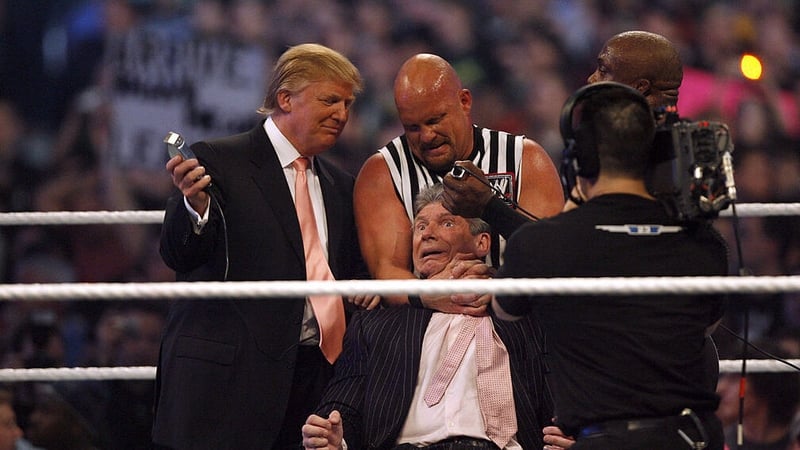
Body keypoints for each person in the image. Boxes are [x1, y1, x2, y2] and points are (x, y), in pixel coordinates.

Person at [154, 43, 368, 450]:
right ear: (285, 98)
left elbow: (347, 270)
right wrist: (195, 208)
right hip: (229, 386)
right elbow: (178, 255)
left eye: (347, 103)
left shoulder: (342, 186)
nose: (342, 114)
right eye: (329, 100)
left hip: (313, 382)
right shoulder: (216, 160)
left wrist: (365, 290)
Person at [492, 82, 729, 450]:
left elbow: (504, 311)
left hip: (602, 440)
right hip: (691, 438)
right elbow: (707, 324)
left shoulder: (539, 245)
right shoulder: (705, 244)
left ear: (580, 162)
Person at [301, 184, 555, 450]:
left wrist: (568, 434)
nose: (427, 235)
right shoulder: (374, 326)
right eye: (420, 227)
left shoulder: (526, 318)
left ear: (483, 242)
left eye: (446, 223)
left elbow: (560, 396)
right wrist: (333, 437)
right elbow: (341, 406)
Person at [353, 53, 564, 312]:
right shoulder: (382, 172)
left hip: (515, 324)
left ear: (464, 101)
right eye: (413, 128)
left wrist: (493, 287)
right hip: (422, 327)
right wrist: (434, 295)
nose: (427, 136)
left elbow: (553, 259)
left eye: (435, 120)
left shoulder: (525, 159)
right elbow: (387, 269)